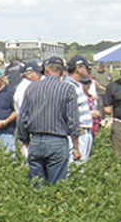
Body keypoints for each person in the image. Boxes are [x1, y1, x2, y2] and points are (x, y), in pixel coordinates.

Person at [17, 56, 81, 185]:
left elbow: (22, 117)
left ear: (46, 69)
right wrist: (76, 146)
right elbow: (73, 120)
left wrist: (25, 140)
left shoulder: (32, 87)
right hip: (58, 140)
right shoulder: (67, 89)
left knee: (37, 184)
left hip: (36, 140)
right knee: (56, 185)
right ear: (62, 71)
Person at [64, 55, 95, 162]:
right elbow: (68, 111)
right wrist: (77, 129)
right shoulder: (69, 86)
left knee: (82, 164)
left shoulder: (77, 85)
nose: (89, 71)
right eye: (87, 68)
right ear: (78, 68)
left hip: (85, 131)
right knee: (77, 165)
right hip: (78, 133)